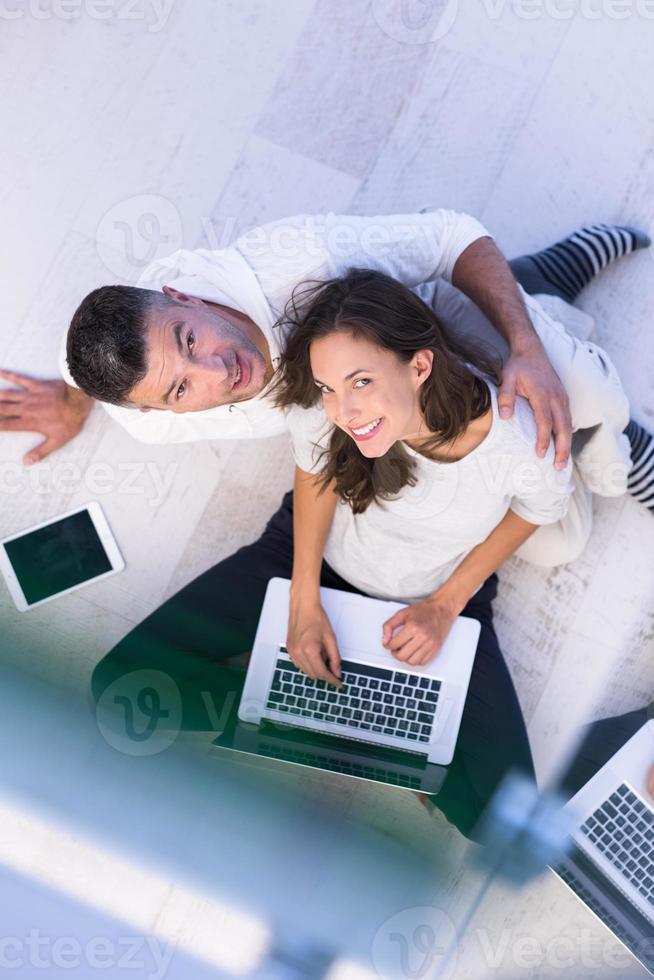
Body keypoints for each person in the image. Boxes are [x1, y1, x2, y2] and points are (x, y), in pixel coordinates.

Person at [90, 263, 629, 840]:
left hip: (435, 592)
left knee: (500, 822)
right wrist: (302, 600)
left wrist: (446, 604)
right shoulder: (330, 414)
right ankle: (338, 727)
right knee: (117, 688)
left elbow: (538, 509)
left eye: (361, 382)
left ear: (420, 365)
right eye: (328, 388)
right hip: (313, 558)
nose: (343, 411)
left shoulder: (515, 438)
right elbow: (314, 475)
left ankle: (550, 296)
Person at [1, 210, 652, 512]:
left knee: (571, 387)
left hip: (404, 318)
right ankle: (537, 282)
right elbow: (76, 360)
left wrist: (526, 346)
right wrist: (68, 402)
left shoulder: (300, 258)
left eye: (190, 339)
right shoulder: (141, 415)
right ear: (149, 408)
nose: (216, 371)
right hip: (361, 395)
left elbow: (450, 236)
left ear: (179, 295)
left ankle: (615, 426)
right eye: (178, 389)